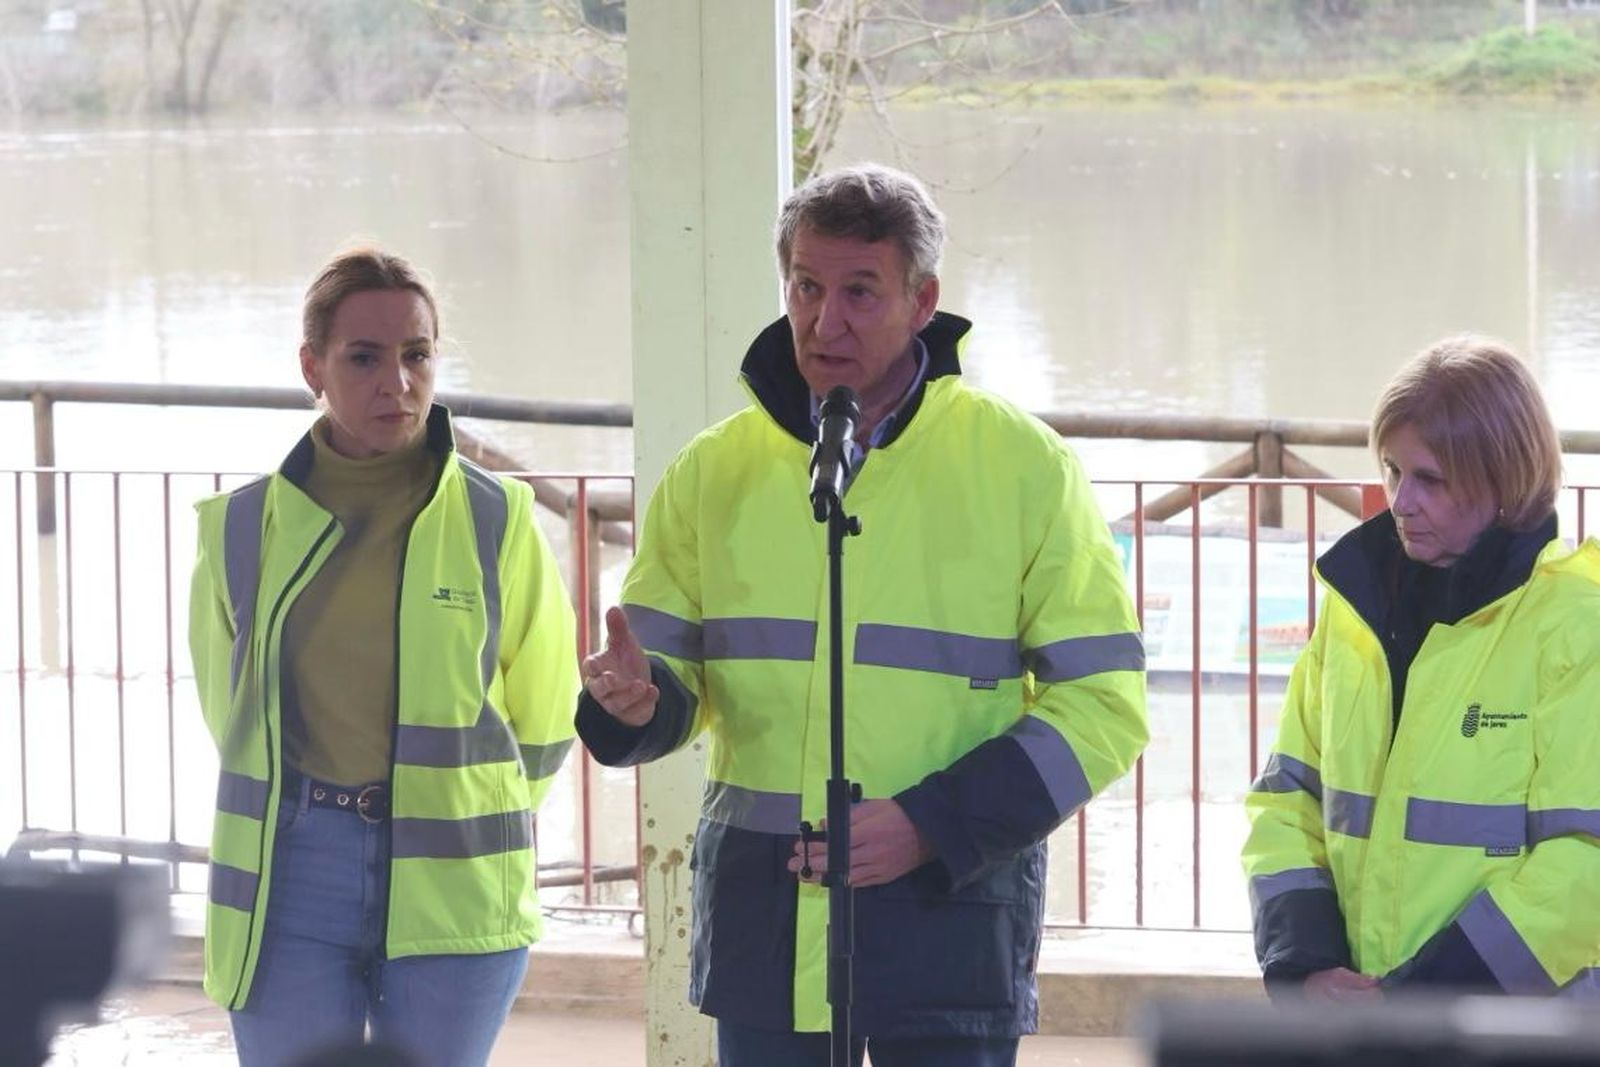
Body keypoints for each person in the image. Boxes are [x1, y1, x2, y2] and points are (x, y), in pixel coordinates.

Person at [576, 163, 1149, 1065]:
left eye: (859, 292)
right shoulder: (712, 468)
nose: (823, 320)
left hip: (948, 925)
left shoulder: (1024, 466)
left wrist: (931, 820)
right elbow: (662, 681)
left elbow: (1106, 703)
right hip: (765, 934)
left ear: (923, 300)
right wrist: (633, 705)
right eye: (805, 286)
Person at [188, 248, 579, 1065]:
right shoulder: (238, 528)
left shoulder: (497, 518)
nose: (396, 382)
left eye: (417, 354)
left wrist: (469, 805)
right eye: (364, 357)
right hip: (290, 877)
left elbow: (548, 716)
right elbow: (231, 716)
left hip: (457, 872)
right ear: (313, 367)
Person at [1243, 335, 1600, 999]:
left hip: (1512, 1032)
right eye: (1391, 471)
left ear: (1505, 478)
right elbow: (1287, 799)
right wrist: (1305, 963)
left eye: (1430, 479)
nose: (1401, 501)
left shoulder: (1579, 625)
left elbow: (1587, 861)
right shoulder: (1351, 614)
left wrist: (1423, 998)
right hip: (1359, 1021)